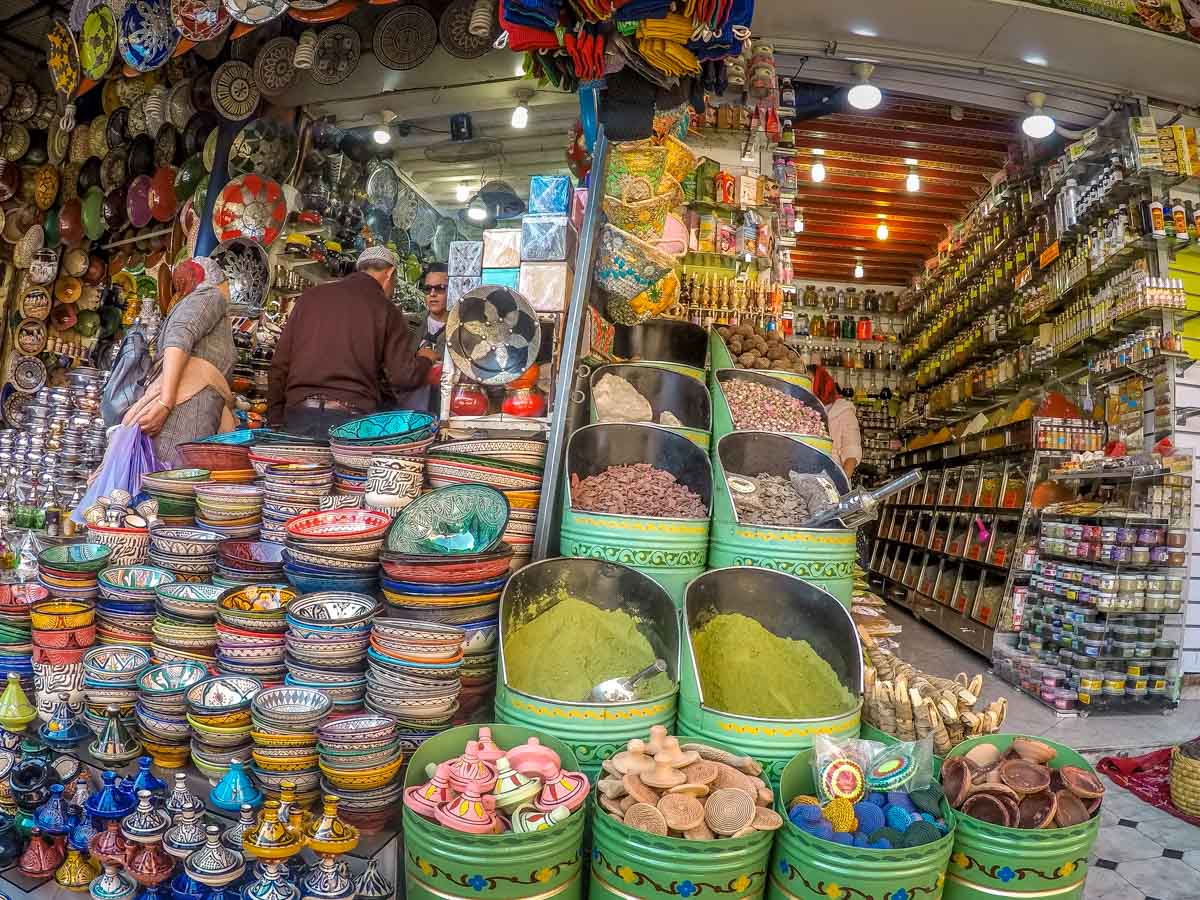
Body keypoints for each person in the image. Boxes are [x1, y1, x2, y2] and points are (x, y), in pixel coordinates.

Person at [267, 246, 436, 439]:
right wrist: (425, 360)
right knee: (344, 471)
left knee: (300, 469)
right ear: (389, 274)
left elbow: (279, 364)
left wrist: (275, 418)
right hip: (350, 423)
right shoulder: (386, 310)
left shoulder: (311, 297)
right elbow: (403, 377)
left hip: (299, 415)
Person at [123, 257, 236, 463]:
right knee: (172, 483)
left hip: (188, 421)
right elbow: (179, 337)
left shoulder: (193, 303)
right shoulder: (211, 295)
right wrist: (165, 402)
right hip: (184, 420)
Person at [810, 365, 862, 478]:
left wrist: (839, 487)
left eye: (810, 382)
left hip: (831, 478)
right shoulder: (804, 408)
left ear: (822, 384)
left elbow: (851, 453)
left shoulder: (843, 411)